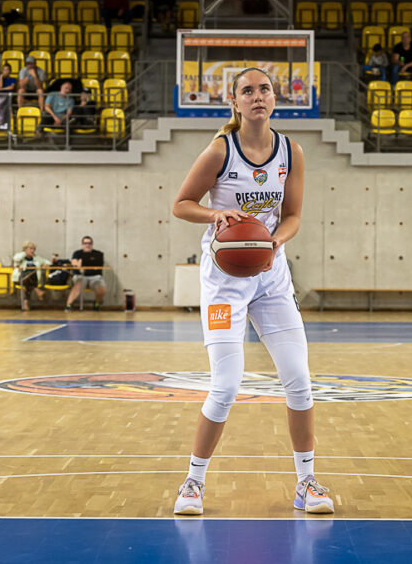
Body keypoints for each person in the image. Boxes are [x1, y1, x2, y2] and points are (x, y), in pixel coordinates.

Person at [170, 67, 333, 516]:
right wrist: (217, 215)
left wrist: (275, 241)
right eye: (248, 91)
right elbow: (181, 204)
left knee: (299, 382)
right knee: (225, 385)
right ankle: (193, 483)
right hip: (224, 282)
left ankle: (307, 483)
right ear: (235, 103)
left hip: (271, 277)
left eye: (264, 89)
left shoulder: (291, 152)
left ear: (274, 99)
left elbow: (294, 213)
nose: (257, 96)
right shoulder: (220, 150)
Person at [66, 236, 107, 311]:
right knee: (78, 285)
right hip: (80, 276)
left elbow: (98, 266)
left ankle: (96, 303)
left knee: (101, 288)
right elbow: (74, 264)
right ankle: (68, 304)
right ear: (82, 244)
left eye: (89, 243)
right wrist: (79, 264)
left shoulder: (98, 254)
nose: (87, 245)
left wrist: (81, 263)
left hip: (95, 277)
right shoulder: (77, 253)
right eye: (85, 243)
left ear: (92, 244)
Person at [12, 241, 49, 312]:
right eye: (31, 248)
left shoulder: (37, 258)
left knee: (28, 282)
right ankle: (37, 291)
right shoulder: (19, 256)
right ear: (25, 249)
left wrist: (46, 264)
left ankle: (25, 304)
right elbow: (16, 259)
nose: (33, 251)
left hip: (30, 281)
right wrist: (24, 253)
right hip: (19, 279)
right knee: (27, 275)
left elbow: (48, 262)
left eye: (34, 249)